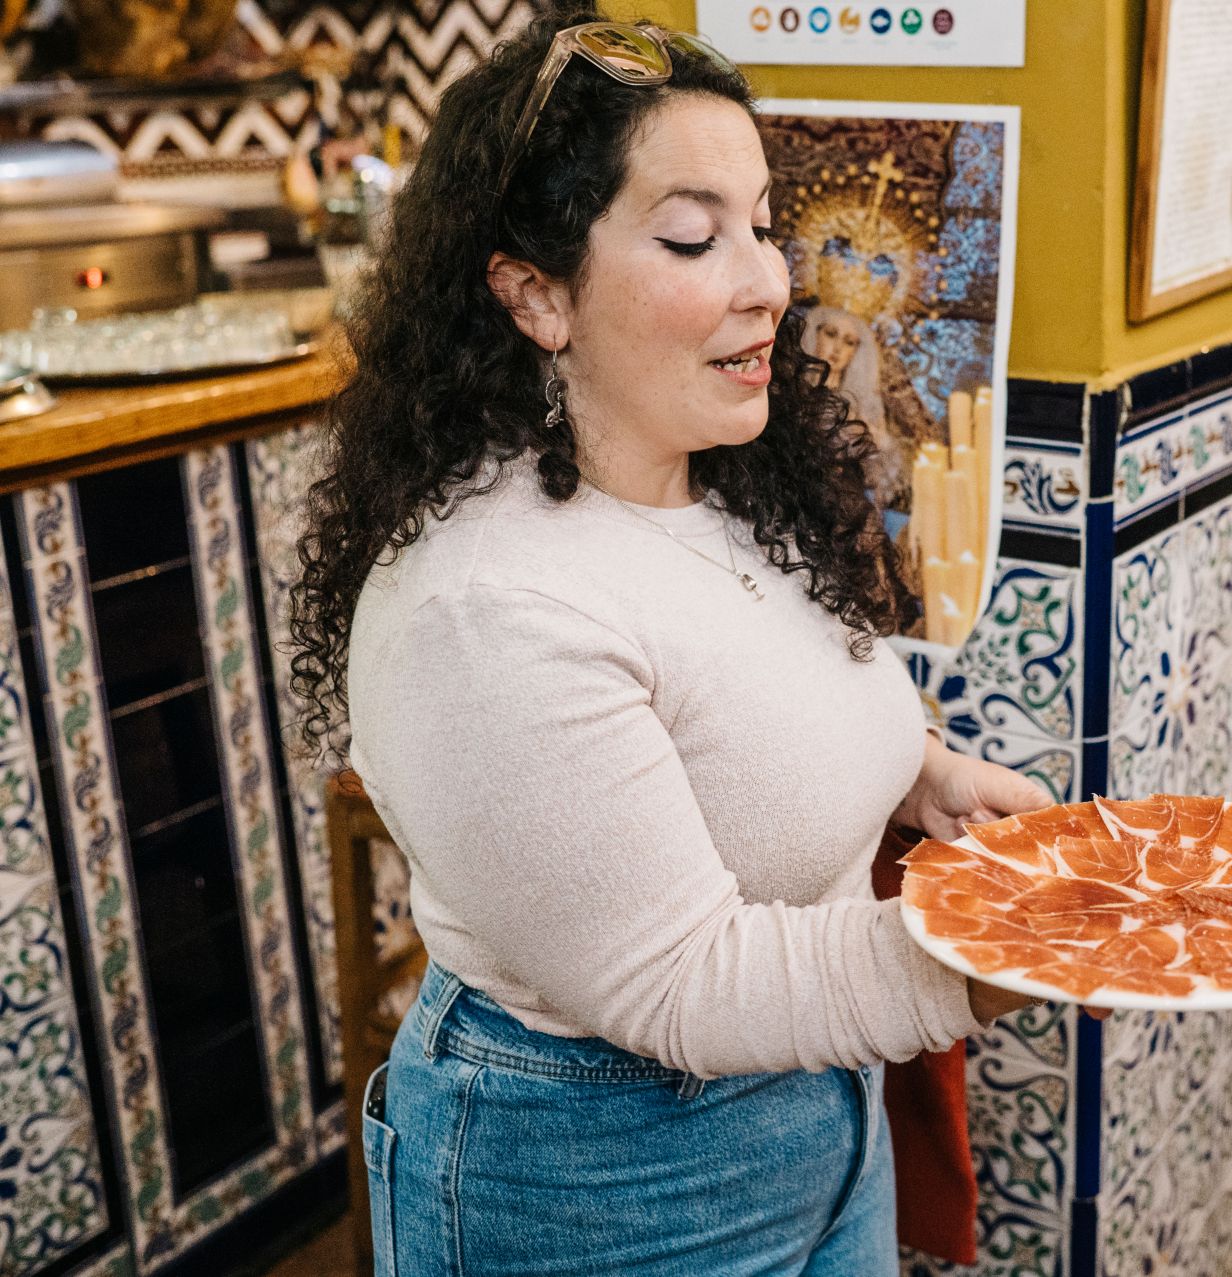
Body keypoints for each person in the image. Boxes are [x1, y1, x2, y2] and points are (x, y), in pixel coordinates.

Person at [286, 12, 1051, 1274]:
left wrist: (923, 775)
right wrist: (999, 955)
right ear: (535, 294)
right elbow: (680, 981)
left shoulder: (722, 477)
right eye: (695, 237)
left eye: (763, 224)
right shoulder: (483, 607)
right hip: (602, 1178)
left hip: (824, 1109)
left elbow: (750, 695)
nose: (770, 281)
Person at [799, 303, 910, 507]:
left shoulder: (860, 404)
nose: (838, 348)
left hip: (844, 501)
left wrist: (874, 441)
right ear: (815, 334)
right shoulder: (794, 392)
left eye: (849, 342)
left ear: (856, 352)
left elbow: (880, 474)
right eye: (831, 334)